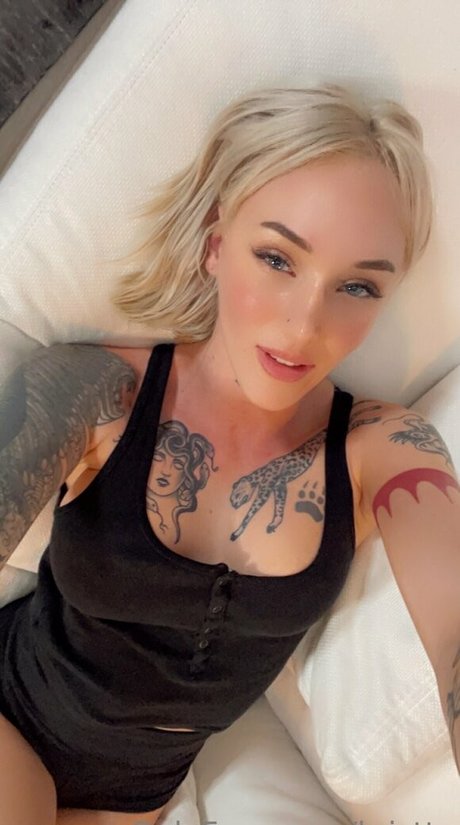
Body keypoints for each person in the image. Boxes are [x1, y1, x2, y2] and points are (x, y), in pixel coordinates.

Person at [0, 84, 458, 825]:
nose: (305, 323)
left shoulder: (383, 448)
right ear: (217, 244)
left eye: (357, 286)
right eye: (277, 258)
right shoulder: (94, 388)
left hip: (136, 799)